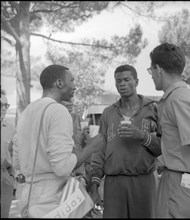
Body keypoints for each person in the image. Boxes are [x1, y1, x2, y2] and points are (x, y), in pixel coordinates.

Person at [13, 64, 105, 218]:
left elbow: (17, 160)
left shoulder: (27, 111)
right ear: (59, 83)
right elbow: (62, 167)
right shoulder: (58, 111)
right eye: (72, 81)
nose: (75, 87)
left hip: (28, 197)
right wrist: (91, 147)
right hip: (53, 201)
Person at [148, 42, 190, 218]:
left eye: (150, 71)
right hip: (188, 184)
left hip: (180, 186)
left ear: (158, 69)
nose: (152, 76)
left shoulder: (177, 101)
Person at [89, 64, 161, 218]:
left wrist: (142, 135)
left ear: (136, 81)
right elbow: (99, 151)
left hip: (144, 180)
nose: (121, 84)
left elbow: (164, 147)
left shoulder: (153, 109)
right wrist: (94, 186)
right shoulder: (108, 113)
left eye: (127, 80)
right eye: (118, 81)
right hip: (114, 182)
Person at [1, 89, 16, 218]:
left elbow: (15, 152)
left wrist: (12, 177)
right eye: (1, 104)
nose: (4, 108)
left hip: (5, 178)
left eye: (6, 105)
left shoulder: (10, 127)